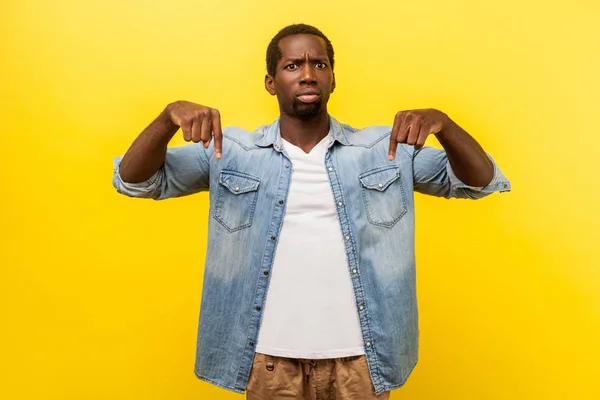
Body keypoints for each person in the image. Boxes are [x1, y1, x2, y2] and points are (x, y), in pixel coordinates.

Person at [112, 23, 510, 400]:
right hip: (269, 361)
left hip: (362, 362)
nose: (307, 74)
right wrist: (168, 117)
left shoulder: (385, 150)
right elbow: (133, 180)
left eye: (318, 64)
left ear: (333, 78)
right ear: (271, 82)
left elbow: (478, 181)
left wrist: (444, 124)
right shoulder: (229, 152)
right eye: (292, 65)